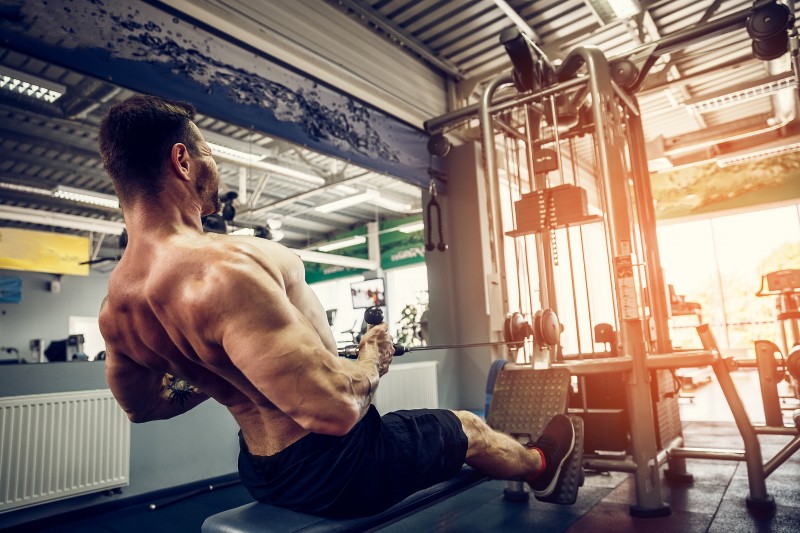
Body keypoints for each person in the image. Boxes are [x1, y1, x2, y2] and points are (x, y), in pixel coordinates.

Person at [97, 94, 578, 518]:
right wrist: (372, 356)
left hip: (261, 471)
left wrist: (219, 374)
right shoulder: (224, 269)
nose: (213, 168)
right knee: (469, 426)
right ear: (182, 160)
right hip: (344, 469)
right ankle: (541, 467)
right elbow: (339, 410)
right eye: (208, 154)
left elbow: (142, 407)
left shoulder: (117, 306)